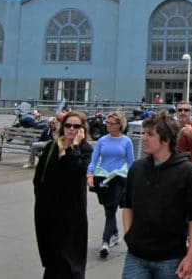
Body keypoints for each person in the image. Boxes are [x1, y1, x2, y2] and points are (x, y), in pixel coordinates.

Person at [122, 112, 192, 279]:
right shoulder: (136, 169)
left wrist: (191, 255)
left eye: (150, 134)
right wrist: (129, 235)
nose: (144, 138)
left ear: (166, 140)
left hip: (170, 259)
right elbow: (127, 205)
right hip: (136, 257)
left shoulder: (187, 171)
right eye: (144, 133)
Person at [33, 111, 93, 278]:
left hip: (72, 215)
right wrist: (41, 197)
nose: (71, 129)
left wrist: (73, 146)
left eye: (76, 126)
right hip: (49, 212)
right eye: (68, 125)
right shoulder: (52, 147)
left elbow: (77, 170)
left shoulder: (84, 149)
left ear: (82, 130)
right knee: (53, 259)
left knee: (70, 262)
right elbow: (39, 177)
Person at [87, 112, 134, 258]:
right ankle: (114, 233)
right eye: (107, 122)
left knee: (111, 208)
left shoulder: (126, 141)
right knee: (108, 208)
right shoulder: (102, 140)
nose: (107, 124)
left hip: (118, 178)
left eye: (111, 123)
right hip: (102, 177)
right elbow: (94, 160)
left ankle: (105, 242)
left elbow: (131, 162)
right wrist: (90, 174)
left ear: (119, 125)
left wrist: (133, 180)